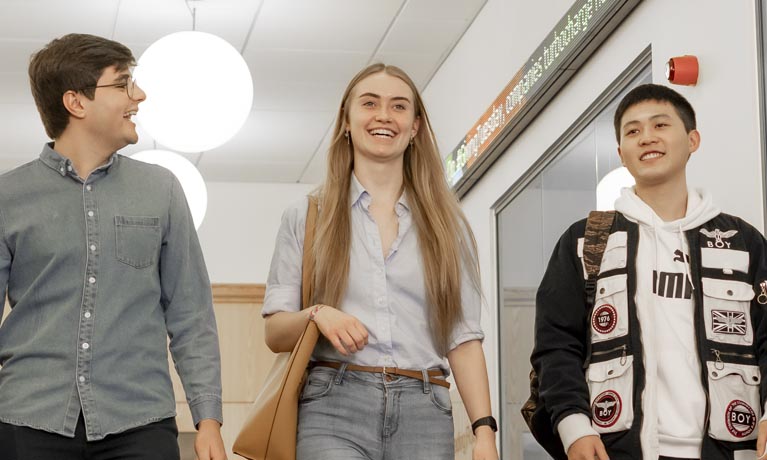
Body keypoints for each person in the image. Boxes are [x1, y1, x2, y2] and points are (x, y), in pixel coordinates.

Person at [0, 33, 226, 460]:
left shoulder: (161, 190)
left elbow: (191, 313)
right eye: (123, 83)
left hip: (139, 423)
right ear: (76, 102)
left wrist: (208, 419)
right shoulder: (7, 197)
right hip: (28, 421)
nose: (138, 95)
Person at [262, 63, 499, 460]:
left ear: (415, 127)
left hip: (426, 410)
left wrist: (484, 433)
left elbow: (462, 338)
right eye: (370, 103)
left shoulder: (447, 227)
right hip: (333, 405)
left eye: (399, 106)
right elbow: (274, 332)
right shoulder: (306, 216)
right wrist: (318, 314)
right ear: (347, 121)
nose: (384, 116)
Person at [531, 83, 767, 460]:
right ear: (621, 153)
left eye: (660, 125)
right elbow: (556, 343)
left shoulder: (743, 241)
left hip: (729, 449)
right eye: (633, 131)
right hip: (616, 450)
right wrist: (573, 426)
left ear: (692, 140)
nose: (646, 138)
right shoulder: (587, 239)